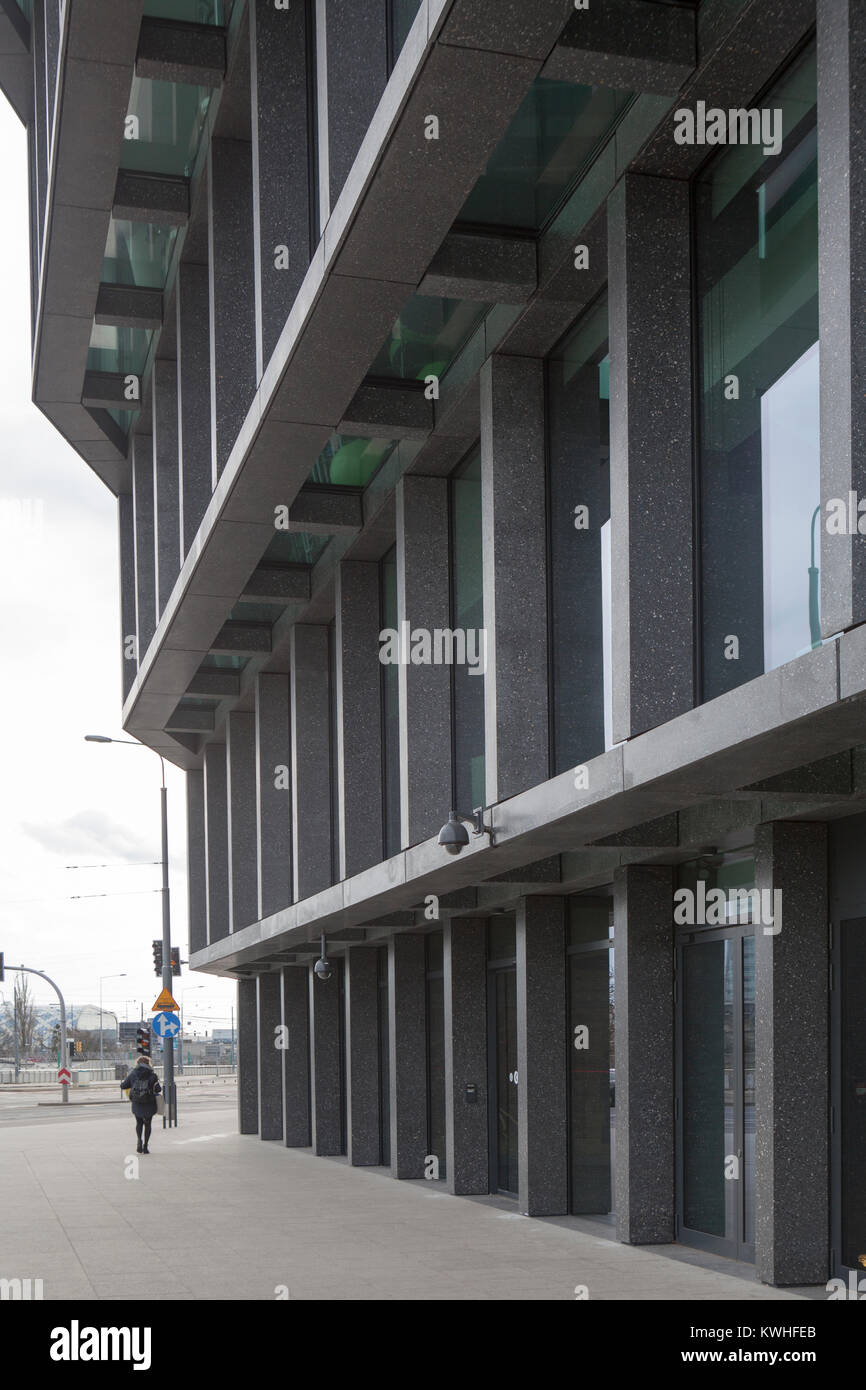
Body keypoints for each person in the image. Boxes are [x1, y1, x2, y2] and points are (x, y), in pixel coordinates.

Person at [120, 1055, 162, 1154]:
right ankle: (146, 1146)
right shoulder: (153, 1075)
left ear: (138, 1063)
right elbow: (158, 1089)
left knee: (139, 1123)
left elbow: (123, 1086)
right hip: (149, 1102)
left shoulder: (133, 1073)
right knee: (148, 1124)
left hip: (137, 1102)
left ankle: (139, 1140)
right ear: (149, 1063)